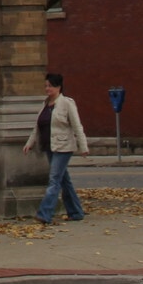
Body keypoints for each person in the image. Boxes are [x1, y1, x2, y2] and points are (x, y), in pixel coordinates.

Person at [23, 71, 89, 224]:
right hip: (49, 147)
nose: (47, 89)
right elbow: (37, 127)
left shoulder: (67, 103)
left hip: (63, 147)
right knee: (64, 181)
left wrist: (83, 146)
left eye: (51, 86)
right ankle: (76, 212)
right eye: (46, 86)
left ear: (59, 87)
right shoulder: (45, 104)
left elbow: (77, 126)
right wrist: (29, 143)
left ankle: (44, 214)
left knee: (54, 180)